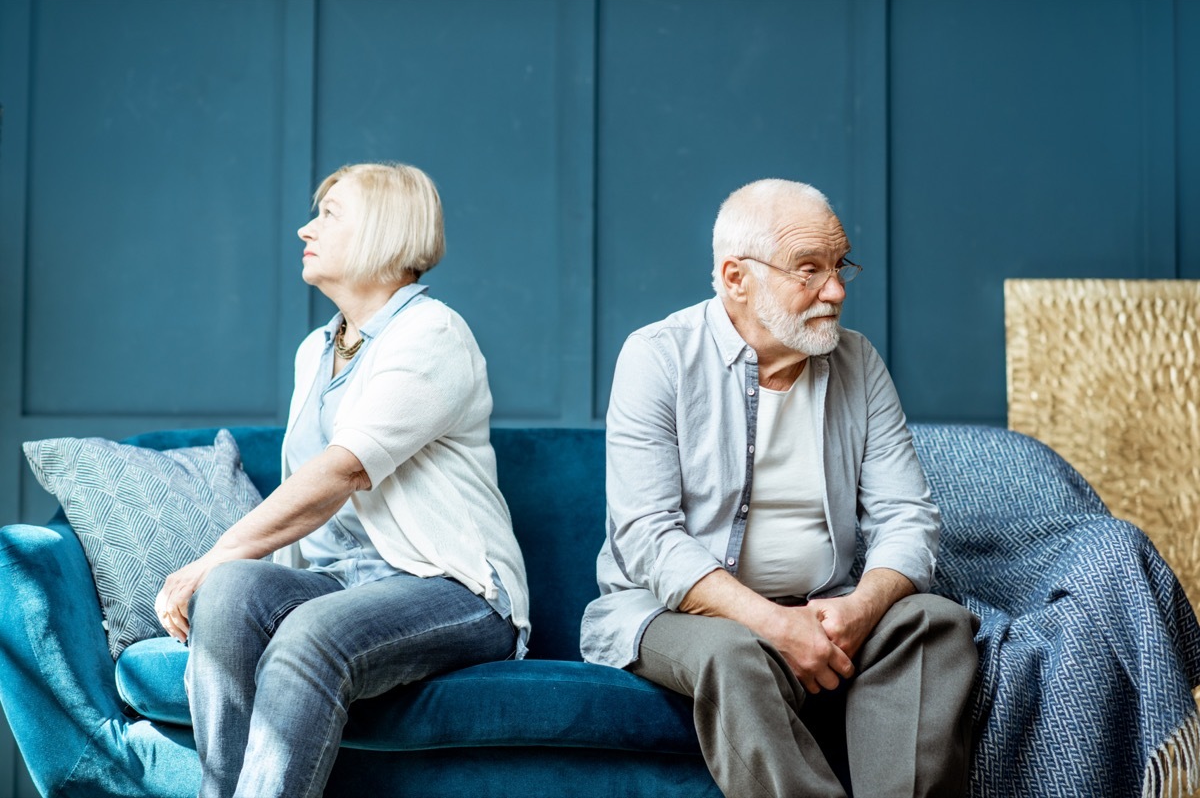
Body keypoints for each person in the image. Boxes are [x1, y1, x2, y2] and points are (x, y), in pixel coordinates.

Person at [580, 179, 978, 797]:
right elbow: (646, 536)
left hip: (831, 606)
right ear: (736, 278)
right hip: (680, 614)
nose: (837, 291)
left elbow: (907, 518)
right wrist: (773, 624)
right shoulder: (656, 357)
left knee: (935, 621)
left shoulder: (859, 362)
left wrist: (860, 609)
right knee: (734, 655)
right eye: (809, 270)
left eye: (840, 265)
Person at [154, 162, 530, 798]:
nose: (306, 228)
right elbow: (307, 489)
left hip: (451, 587)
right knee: (232, 591)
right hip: (336, 583)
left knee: (304, 635)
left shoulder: (433, 333)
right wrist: (225, 572)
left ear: (385, 230)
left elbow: (343, 469)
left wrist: (215, 554)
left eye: (329, 214)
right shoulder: (316, 349)